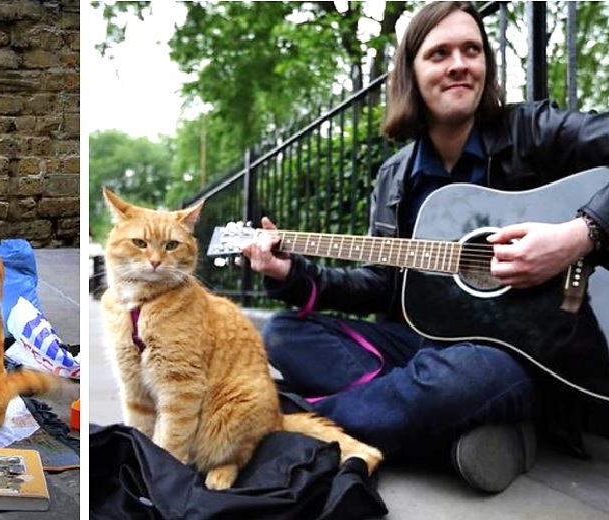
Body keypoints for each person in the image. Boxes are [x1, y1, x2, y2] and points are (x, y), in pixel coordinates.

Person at [242, 1, 608, 494]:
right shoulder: (397, 176)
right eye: (439, 53)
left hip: (516, 359)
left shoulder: (532, 131)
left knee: (469, 377)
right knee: (285, 333)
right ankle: (462, 429)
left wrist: (579, 234)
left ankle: (299, 420)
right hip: (420, 346)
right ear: (412, 74)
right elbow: (378, 285)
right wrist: (295, 275)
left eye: (472, 50)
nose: (459, 63)